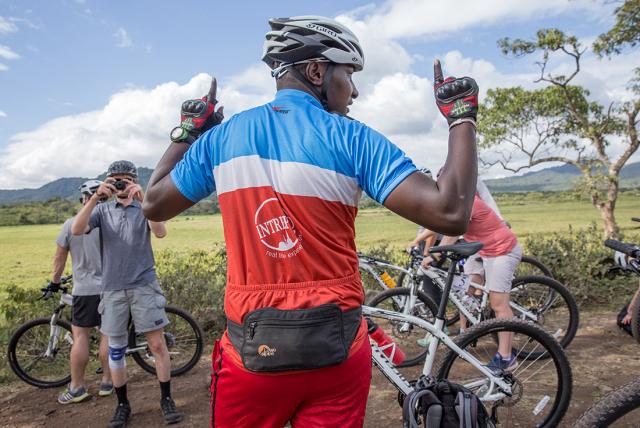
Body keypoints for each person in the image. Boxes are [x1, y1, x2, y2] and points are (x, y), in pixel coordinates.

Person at [143, 16, 479, 428]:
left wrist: (189, 132)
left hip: (251, 355)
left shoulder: (222, 138)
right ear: (317, 71)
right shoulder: (352, 137)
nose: (354, 89)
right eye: (349, 74)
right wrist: (461, 118)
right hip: (337, 353)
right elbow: (450, 212)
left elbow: (154, 205)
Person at [71, 161, 182, 427]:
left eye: (125, 179)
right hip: (112, 288)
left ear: (134, 180)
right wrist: (96, 198)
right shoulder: (102, 210)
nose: (120, 184)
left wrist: (144, 199)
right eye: (115, 180)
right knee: (116, 349)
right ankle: (122, 404)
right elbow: (76, 229)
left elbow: (160, 232)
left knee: (158, 345)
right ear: (108, 182)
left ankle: (166, 399)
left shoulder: (145, 207)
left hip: (143, 285)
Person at [423, 192, 522, 371]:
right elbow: (440, 225)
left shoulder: (466, 201)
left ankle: (506, 357)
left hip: (502, 250)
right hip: (482, 251)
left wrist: (434, 255)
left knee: (498, 304)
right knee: (467, 292)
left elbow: (454, 231)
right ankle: (469, 328)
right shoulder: (456, 201)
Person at [53, 179, 112, 404]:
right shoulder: (110, 222)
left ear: (84, 198)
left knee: (80, 336)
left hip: (84, 289)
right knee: (108, 335)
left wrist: (54, 282)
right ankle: (108, 382)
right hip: (110, 287)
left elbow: (59, 258)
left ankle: (77, 387)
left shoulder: (70, 225)